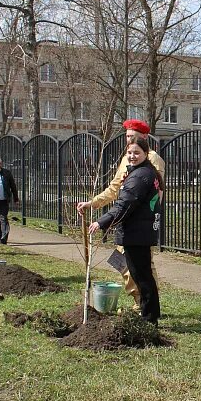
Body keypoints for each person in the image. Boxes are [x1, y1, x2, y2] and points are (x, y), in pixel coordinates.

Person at [80, 119, 166, 309]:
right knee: (121, 263)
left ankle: (146, 304)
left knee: (143, 268)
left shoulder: (152, 159)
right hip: (124, 221)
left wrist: (149, 218)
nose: (128, 141)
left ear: (143, 137)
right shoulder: (127, 157)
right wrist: (93, 203)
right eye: (126, 137)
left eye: (131, 136)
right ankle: (140, 300)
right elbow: (114, 188)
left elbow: (157, 193)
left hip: (139, 224)